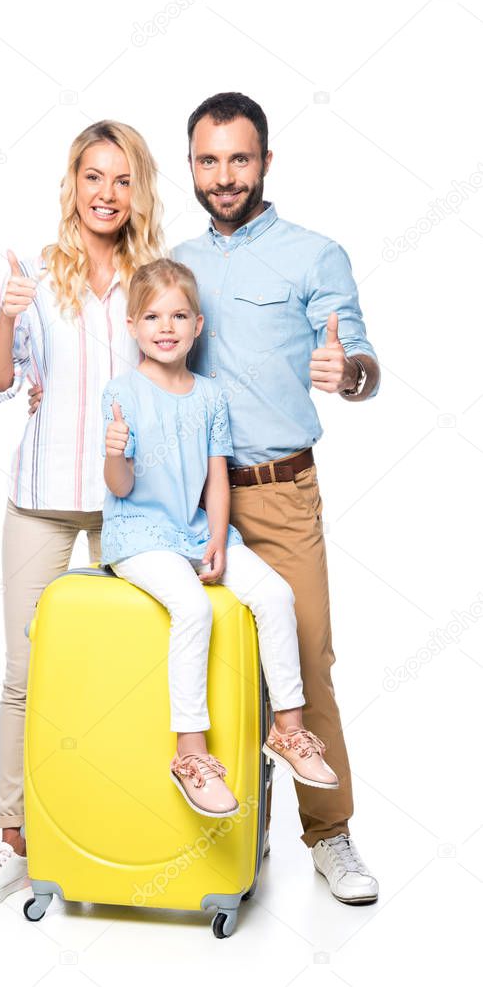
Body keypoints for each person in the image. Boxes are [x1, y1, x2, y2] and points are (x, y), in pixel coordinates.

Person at [171, 91, 381, 903]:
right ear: (191, 164)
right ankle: (209, 832)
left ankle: (330, 835)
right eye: (208, 160)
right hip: (188, 499)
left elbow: (355, 352)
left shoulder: (313, 254)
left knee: (308, 662)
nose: (224, 176)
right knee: (198, 658)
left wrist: (348, 374)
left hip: (279, 492)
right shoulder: (176, 258)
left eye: (239, 158)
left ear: (264, 161)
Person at [0, 121, 164, 911]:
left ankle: (121, 825)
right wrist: (9, 314)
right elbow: (1, 385)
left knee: (126, 674)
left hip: (129, 505)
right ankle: (14, 840)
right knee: (25, 672)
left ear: (136, 190)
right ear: (72, 183)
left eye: (120, 179)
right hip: (41, 499)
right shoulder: (39, 273)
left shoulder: (156, 277)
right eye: (92, 176)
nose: (105, 193)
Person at [101, 258, 339, 819]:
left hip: (194, 531)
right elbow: (119, 486)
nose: (167, 326)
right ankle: (190, 754)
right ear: (133, 325)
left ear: (198, 326)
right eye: (154, 316)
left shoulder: (209, 396)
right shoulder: (124, 392)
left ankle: (289, 729)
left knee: (277, 595)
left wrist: (217, 540)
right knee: (192, 608)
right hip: (138, 536)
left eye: (179, 315)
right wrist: (115, 452)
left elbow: (216, 477)